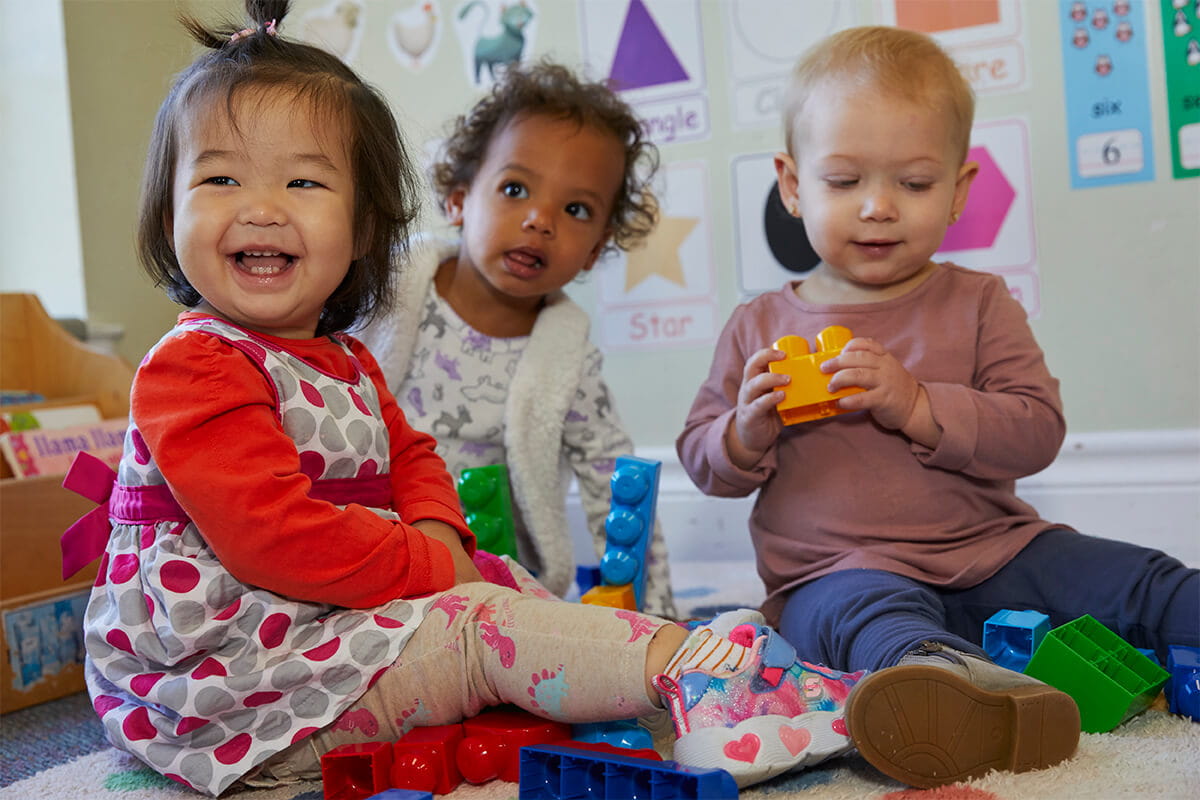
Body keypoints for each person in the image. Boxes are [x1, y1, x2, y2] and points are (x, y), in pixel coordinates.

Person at [59, 3, 864, 795]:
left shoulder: (344, 358)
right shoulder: (192, 367)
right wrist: (430, 567)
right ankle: (701, 679)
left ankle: (687, 658)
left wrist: (444, 539)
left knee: (503, 582)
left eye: (302, 180)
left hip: (317, 633)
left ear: (365, 228)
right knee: (479, 627)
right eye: (220, 177)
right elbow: (271, 535)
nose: (261, 205)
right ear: (170, 212)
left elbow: (410, 454)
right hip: (225, 692)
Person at [677, 24, 1200, 789]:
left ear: (958, 190)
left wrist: (919, 405)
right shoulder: (758, 325)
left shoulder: (980, 302)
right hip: (837, 572)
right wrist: (745, 429)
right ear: (793, 186)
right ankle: (959, 692)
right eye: (845, 180)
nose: (879, 207)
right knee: (869, 629)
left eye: (915, 184)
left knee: (1136, 580)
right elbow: (702, 459)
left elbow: (1037, 430)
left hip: (993, 547)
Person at [357, 61, 677, 617]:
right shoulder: (385, 293)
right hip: (380, 548)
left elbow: (615, 485)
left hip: (498, 581)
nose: (540, 219)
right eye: (514, 188)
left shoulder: (567, 356)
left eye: (576, 209)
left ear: (596, 250)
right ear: (458, 199)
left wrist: (658, 619)